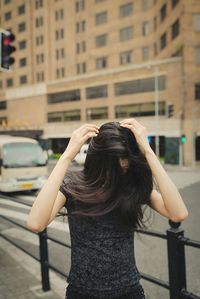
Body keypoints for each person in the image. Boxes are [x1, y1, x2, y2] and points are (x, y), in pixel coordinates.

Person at [27, 119, 189, 299]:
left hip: (129, 292)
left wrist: (148, 151)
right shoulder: (74, 185)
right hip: (82, 293)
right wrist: (66, 156)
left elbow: (178, 213)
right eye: (112, 168)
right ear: (98, 160)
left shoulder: (130, 185)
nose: (118, 174)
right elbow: (36, 223)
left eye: (124, 167)